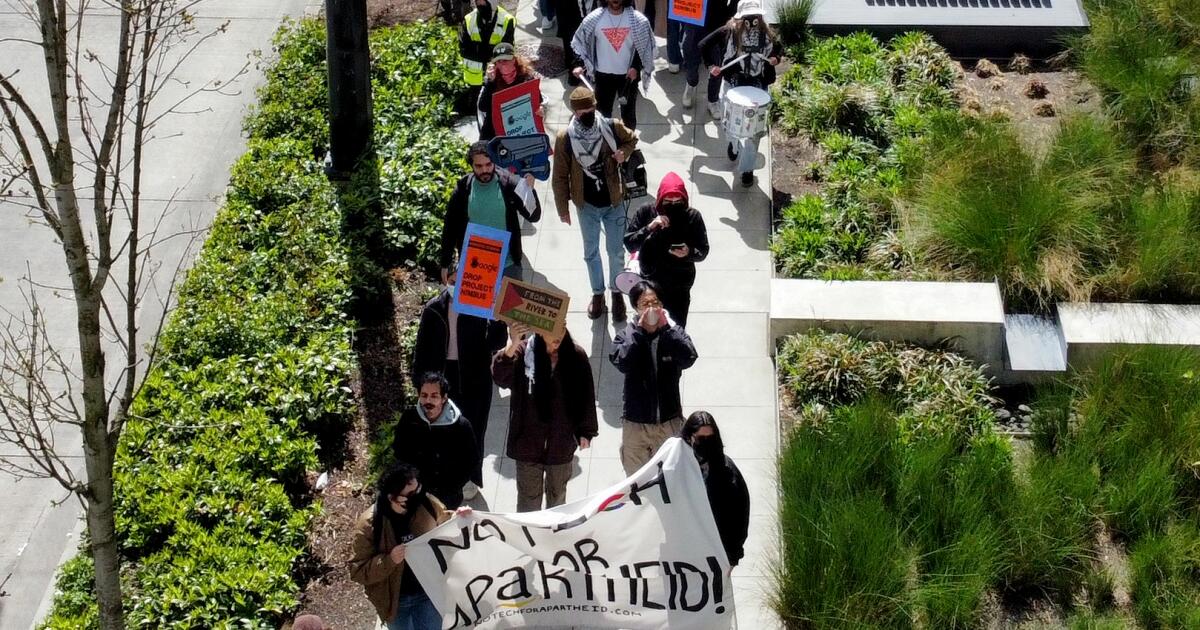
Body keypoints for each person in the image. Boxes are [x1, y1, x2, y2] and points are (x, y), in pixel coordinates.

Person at [552, 87, 638, 321]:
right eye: (582, 112)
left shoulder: (610, 126)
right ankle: (597, 293)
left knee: (615, 251)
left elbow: (632, 138)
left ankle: (617, 291)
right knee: (591, 252)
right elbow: (559, 176)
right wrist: (563, 209)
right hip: (586, 204)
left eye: (591, 109)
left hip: (613, 201)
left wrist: (623, 152)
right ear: (574, 113)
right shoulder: (565, 138)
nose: (588, 114)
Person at [411, 283, 505, 498]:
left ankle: (471, 478)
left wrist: (496, 317)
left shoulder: (479, 306)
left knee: (474, 430)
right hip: (443, 377)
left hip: (474, 379)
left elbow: (496, 342)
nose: (457, 284)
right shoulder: (434, 308)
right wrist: (420, 385)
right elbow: (421, 349)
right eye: (453, 279)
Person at [492, 325, 598, 511]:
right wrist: (511, 345)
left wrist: (586, 431)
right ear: (540, 331)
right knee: (528, 502)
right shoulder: (523, 352)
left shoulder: (576, 355)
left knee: (557, 500)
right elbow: (501, 377)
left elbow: (586, 396)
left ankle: (554, 537)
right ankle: (530, 538)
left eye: (562, 328)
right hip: (527, 442)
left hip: (561, 444)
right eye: (552, 330)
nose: (558, 335)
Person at [610, 280, 699, 475]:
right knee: (636, 479)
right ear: (636, 308)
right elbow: (622, 362)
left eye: (655, 302)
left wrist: (667, 329)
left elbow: (689, 357)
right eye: (645, 304)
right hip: (636, 423)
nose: (651, 308)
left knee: (673, 476)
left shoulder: (673, 332)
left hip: (669, 421)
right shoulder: (626, 336)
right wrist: (640, 333)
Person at [350, 462, 452, 630]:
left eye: (418, 488)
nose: (418, 495)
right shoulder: (370, 524)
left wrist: (462, 517)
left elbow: (446, 523)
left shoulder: (427, 504)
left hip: (428, 592)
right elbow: (358, 571)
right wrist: (389, 560)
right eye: (410, 494)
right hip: (396, 602)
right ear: (393, 497)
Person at [699, 0, 782, 187]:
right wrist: (712, 66)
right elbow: (703, 44)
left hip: (758, 85)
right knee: (730, 124)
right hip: (733, 84)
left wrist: (776, 58)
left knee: (755, 132)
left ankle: (747, 170)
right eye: (748, 17)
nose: (752, 21)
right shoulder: (728, 31)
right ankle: (733, 143)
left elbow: (778, 48)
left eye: (755, 17)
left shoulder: (767, 33)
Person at [440, 141, 541, 284]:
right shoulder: (463, 190)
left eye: (488, 164)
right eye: (479, 166)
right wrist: (445, 263)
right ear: (471, 166)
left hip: (508, 266)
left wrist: (530, 191)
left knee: (510, 307)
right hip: (474, 266)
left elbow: (534, 216)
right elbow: (450, 227)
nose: (484, 170)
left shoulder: (509, 184)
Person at [623, 172, 710, 327]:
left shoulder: (692, 217)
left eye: (678, 201)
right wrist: (649, 228)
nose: (673, 205)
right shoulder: (646, 212)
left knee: (676, 328)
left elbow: (702, 250)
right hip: (651, 282)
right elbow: (630, 243)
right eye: (668, 201)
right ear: (660, 199)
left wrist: (688, 252)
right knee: (649, 326)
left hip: (679, 285)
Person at [392, 372, 480, 509]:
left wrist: (453, 486)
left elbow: (471, 461)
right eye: (424, 395)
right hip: (416, 496)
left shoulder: (461, 426)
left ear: (444, 398)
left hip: (448, 499)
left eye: (434, 396)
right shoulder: (409, 420)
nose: (428, 401)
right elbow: (399, 453)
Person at [570, 0, 656, 130]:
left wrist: (635, 67)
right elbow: (580, 42)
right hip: (603, 76)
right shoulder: (594, 19)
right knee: (603, 115)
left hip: (628, 78)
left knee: (628, 116)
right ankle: (606, 144)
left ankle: (628, 145)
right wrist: (578, 64)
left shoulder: (639, 21)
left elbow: (643, 48)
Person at [680, 411, 750, 568]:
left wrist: (732, 558)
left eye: (710, 439)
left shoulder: (727, 472)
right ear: (690, 437)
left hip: (716, 553)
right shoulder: (678, 466)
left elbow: (740, 517)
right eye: (700, 439)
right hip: (684, 552)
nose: (706, 443)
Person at [674, 0, 740, 112]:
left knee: (718, 62)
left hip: (717, 21)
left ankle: (713, 100)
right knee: (690, 57)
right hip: (693, 19)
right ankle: (691, 83)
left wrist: (729, 15)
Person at [477, 43, 543, 142]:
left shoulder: (526, 77)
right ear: (495, 64)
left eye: (506, 60)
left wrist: (540, 109)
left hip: (520, 126)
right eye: (499, 61)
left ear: (514, 60)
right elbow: (483, 107)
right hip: (495, 129)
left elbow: (538, 100)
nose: (503, 64)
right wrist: (490, 83)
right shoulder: (492, 80)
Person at [459, 0, 516, 110]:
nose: (479, 5)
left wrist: (477, 47)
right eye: (477, 2)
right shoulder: (469, 19)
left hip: (496, 77)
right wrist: (491, 51)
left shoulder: (507, 20)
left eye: (483, 3)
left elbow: (506, 51)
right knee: (478, 107)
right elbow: (464, 49)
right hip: (475, 78)